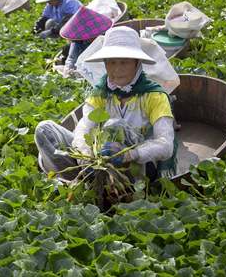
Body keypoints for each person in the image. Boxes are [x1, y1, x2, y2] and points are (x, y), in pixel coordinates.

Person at [35, 26, 176, 182]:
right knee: (44, 129)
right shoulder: (101, 92)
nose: (117, 69)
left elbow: (166, 145)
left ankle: (116, 185)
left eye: (124, 63)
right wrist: (86, 155)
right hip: (98, 160)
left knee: (115, 126)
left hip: (138, 169)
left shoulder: (154, 95)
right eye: (111, 62)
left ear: (137, 64)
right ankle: (86, 178)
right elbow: (84, 127)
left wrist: (130, 154)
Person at [59, 6, 112, 77]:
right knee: (66, 49)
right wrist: (68, 68)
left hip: (100, 66)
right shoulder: (77, 42)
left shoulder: (104, 38)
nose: (90, 38)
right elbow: (71, 58)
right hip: (84, 64)